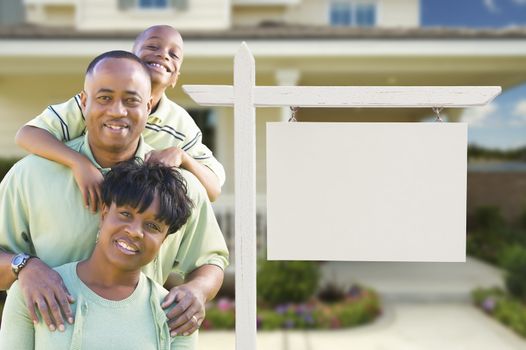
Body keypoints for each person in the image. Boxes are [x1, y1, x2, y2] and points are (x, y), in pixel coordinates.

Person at [0, 50, 228, 338]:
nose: (117, 111)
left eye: (131, 101)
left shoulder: (179, 187)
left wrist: (197, 290)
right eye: (104, 98)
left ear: (148, 106)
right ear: (84, 103)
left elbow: (211, 260)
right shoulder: (30, 176)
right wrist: (25, 267)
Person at [15, 24, 224, 209]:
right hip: (77, 203)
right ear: (131, 59)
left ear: (175, 78)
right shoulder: (96, 104)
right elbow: (27, 135)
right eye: (152, 46)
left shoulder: (180, 123)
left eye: (174, 54)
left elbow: (213, 190)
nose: (163, 55)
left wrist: (182, 156)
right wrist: (79, 163)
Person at [0, 160, 197, 349]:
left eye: (153, 226)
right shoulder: (34, 292)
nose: (135, 231)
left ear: (163, 240)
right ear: (103, 215)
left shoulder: (176, 314)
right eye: (126, 214)